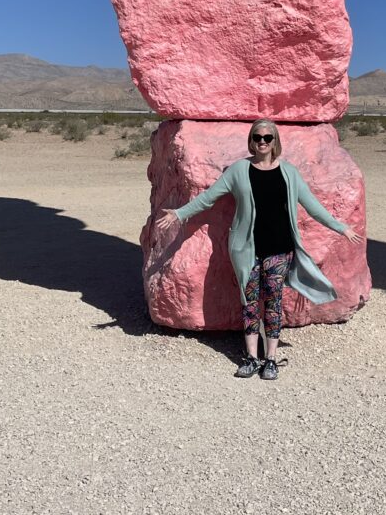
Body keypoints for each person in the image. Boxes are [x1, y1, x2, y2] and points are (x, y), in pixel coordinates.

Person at [155, 118, 362, 381]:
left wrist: (340, 227)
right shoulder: (239, 170)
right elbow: (208, 198)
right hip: (246, 250)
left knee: (274, 303)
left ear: (275, 142)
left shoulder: (289, 173)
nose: (262, 142)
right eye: (257, 137)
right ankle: (252, 358)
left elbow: (313, 207)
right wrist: (179, 213)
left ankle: (271, 359)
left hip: (280, 249)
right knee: (250, 303)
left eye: (267, 138)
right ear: (251, 141)